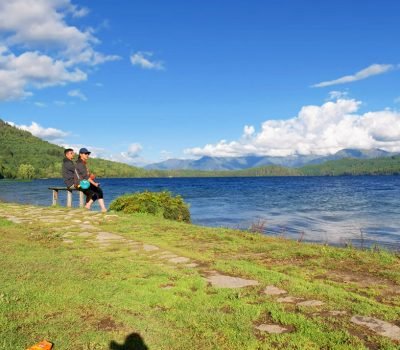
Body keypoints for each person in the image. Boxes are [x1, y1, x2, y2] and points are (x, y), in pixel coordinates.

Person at [75, 147, 107, 212]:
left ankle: (103, 209)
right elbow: (86, 177)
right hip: (80, 184)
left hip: (84, 182)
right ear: (80, 154)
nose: (87, 155)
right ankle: (88, 206)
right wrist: (95, 184)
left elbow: (85, 175)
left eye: (88, 154)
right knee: (94, 192)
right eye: (85, 153)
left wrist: (91, 176)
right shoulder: (80, 164)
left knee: (99, 191)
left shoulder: (83, 163)